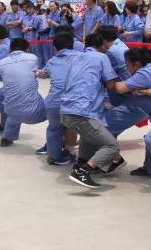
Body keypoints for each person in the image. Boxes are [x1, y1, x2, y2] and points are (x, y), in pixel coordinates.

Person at [61, 33, 123, 189]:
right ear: (101, 45)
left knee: (88, 137)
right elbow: (111, 85)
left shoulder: (74, 58)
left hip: (66, 110)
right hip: (82, 113)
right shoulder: (102, 57)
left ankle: (82, 163)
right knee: (111, 146)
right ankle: (82, 171)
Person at [108, 48, 151, 178]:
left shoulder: (144, 74)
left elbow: (119, 88)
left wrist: (105, 76)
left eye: (127, 66)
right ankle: (148, 168)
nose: (127, 69)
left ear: (136, 64)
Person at [0, 38, 47, 147]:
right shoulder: (33, 58)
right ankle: (60, 141)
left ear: (10, 49)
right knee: (55, 108)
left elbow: (1, 79)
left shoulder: (2, 63)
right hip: (35, 113)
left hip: (13, 111)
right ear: (27, 50)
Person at [34, 32, 81, 165]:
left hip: (53, 103)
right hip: (74, 102)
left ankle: (53, 156)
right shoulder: (81, 57)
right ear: (72, 45)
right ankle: (71, 152)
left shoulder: (52, 61)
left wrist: (37, 73)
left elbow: (43, 74)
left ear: (55, 48)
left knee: (54, 128)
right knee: (71, 126)